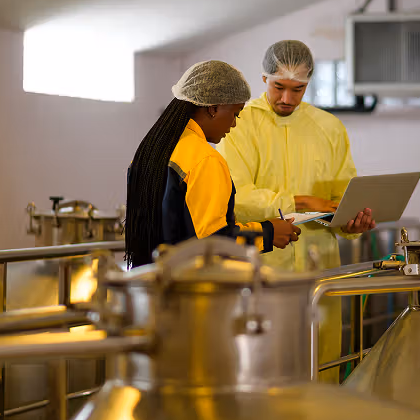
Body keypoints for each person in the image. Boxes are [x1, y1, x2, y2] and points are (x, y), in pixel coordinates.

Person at [216, 40, 376, 382]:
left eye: (298, 89)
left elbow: (341, 196)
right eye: (279, 87)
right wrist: (299, 201)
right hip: (260, 271)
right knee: (262, 372)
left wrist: (353, 221)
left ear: (309, 83)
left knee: (321, 366)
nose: (287, 99)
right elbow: (235, 196)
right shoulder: (240, 124)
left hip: (322, 276)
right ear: (263, 79)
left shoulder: (329, 127)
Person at [125, 60, 301, 268]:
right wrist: (269, 232)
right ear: (213, 108)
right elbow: (212, 243)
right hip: (191, 288)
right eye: (235, 113)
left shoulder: (153, 149)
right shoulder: (205, 159)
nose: (234, 123)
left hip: (151, 283)